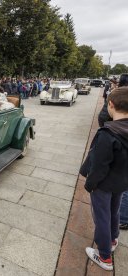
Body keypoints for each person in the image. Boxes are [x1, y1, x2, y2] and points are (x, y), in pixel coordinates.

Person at [80, 87, 128, 271]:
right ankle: (113, 238)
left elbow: (99, 166)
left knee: (101, 216)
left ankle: (104, 256)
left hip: (104, 183)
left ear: (111, 104)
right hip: (122, 181)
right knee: (114, 211)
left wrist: (90, 184)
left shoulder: (108, 133)